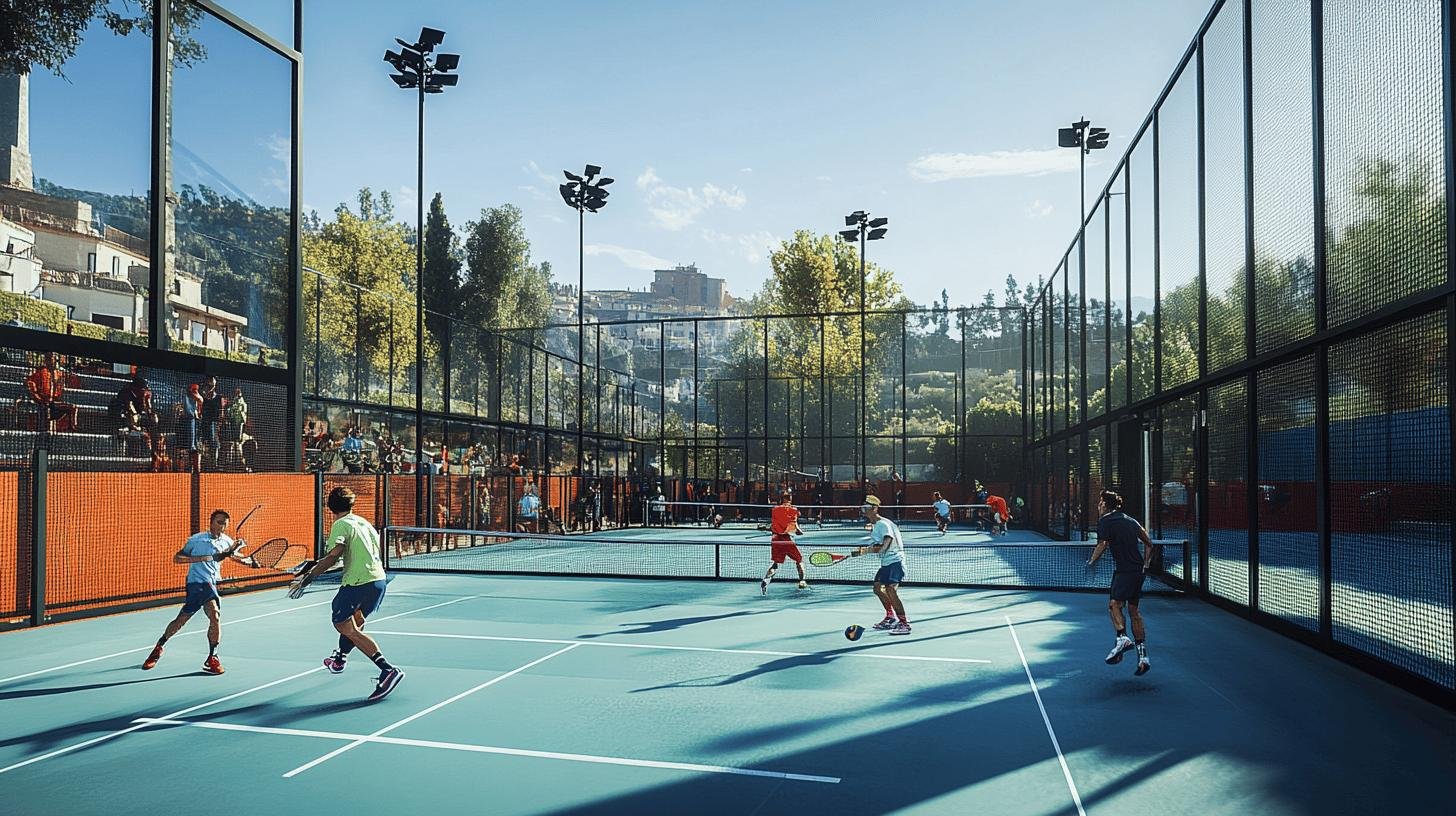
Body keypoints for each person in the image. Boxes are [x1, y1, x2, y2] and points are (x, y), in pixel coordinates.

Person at [290, 486, 404, 702]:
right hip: (379, 581)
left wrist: (308, 577)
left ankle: (388, 670)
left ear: (330, 507)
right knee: (356, 623)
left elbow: (335, 555)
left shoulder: (340, 524)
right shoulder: (364, 523)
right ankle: (340, 659)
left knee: (343, 625)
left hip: (358, 582)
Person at [141, 509, 251, 674]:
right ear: (211, 522)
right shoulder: (197, 540)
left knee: (215, 616)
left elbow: (233, 556)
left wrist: (250, 561)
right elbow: (177, 558)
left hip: (211, 584)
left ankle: (212, 658)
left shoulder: (227, 541)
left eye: (225, 523)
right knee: (181, 621)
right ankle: (159, 647)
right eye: (219, 522)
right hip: (195, 584)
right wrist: (201, 558)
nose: (222, 526)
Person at [1086, 490, 1154, 677]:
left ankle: (1122, 638)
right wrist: (1145, 565)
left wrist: (1091, 561)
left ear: (1106, 505)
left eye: (1100, 503)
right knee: (1133, 610)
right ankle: (1143, 657)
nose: (1098, 506)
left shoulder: (1105, 521)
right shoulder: (1131, 521)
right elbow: (1150, 544)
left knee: (1114, 605)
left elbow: (1102, 544)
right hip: (1137, 572)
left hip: (1124, 572)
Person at [851, 495, 910, 634]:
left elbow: (886, 543)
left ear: (874, 508)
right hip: (886, 562)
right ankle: (890, 617)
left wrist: (865, 551)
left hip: (895, 561)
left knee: (890, 590)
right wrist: (864, 550)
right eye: (863, 506)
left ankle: (904, 624)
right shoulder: (876, 525)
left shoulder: (882, 524)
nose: (863, 509)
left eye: (866, 507)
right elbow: (878, 546)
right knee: (877, 588)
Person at [760, 492, 808, 595]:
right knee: (799, 559)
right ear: (790, 499)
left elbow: (774, 526)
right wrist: (799, 531)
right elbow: (794, 526)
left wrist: (766, 527)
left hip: (775, 539)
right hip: (786, 540)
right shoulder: (793, 510)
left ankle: (766, 580)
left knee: (776, 564)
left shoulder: (775, 509)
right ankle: (802, 581)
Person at [23, 352, 79, 433]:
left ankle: (73, 427)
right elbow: (29, 382)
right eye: (49, 359)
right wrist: (38, 398)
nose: (52, 361)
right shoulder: (40, 371)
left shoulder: (58, 373)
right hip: (42, 403)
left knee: (72, 407)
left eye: (53, 360)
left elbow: (59, 388)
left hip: (52, 403)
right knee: (46, 415)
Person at [199, 376, 225, 467]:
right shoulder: (203, 398)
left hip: (214, 423)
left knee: (214, 443)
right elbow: (200, 410)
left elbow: (221, 412)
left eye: (211, 385)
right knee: (202, 442)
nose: (209, 387)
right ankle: (203, 463)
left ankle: (214, 464)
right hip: (204, 422)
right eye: (208, 385)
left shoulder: (219, 397)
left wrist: (219, 424)